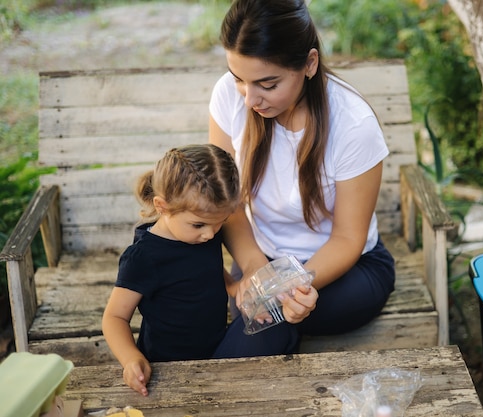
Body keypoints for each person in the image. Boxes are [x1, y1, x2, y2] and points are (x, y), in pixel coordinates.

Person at [209, 0, 395, 339]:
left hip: (345, 268)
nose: (250, 99)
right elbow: (227, 201)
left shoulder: (353, 124)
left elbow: (347, 238)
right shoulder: (228, 95)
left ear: (309, 63)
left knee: (271, 317)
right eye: (239, 80)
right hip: (261, 255)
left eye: (268, 84)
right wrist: (254, 268)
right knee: (263, 314)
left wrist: (291, 286)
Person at [102, 144, 318, 397]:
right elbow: (114, 317)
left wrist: (239, 290)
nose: (210, 234)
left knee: (277, 322)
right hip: (171, 367)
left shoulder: (202, 233)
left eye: (220, 223)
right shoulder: (143, 257)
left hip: (216, 346)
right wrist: (130, 358)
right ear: (162, 206)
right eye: (198, 224)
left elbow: (209, 272)